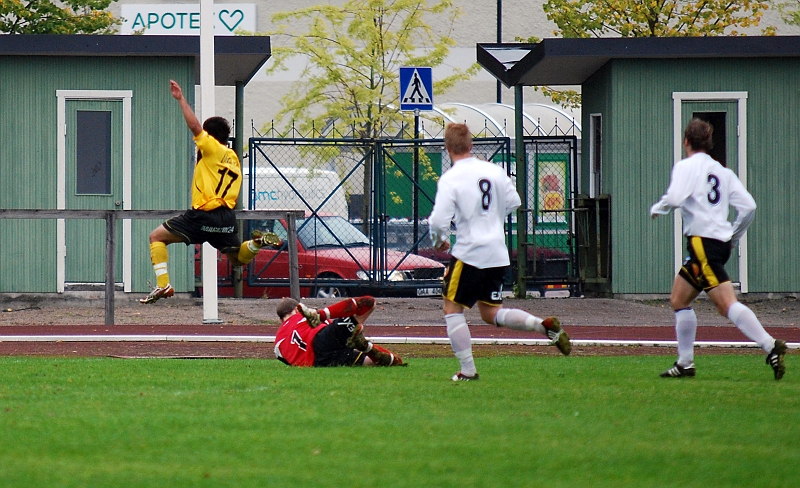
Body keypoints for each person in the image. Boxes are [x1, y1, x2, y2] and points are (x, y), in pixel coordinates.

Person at [428, 123, 571, 382]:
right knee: (490, 313)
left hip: (470, 252)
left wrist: (440, 240)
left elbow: (438, 220)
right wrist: (491, 218)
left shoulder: (451, 178)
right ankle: (542, 325)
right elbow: (514, 201)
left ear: (447, 148)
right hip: (497, 252)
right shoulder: (494, 170)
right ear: (471, 145)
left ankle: (468, 371)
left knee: (452, 308)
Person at [651, 118, 786, 379]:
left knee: (726, 305)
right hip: (718, 244)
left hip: (703, 243)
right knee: (679, 299)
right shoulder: (723, 172)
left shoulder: (686, 166)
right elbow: (749, 206)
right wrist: (733, 236)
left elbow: (676, 197)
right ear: (709, 143)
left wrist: (659, 207)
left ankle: (770, 345)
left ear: (686, 141)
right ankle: (685, 363)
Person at [140, 80, 282, 304]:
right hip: (226, 217)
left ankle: (163, 283)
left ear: (210, 135)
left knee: (156, 236)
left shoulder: (212, 149)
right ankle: (257, 242)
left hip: (204, 214)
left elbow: (195, 127)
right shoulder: (233, 157)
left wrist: (181, 99)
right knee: (237, 258)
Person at [275, 296, 405, 367]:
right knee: (369, 303)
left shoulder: (278, 343)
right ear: (297, 310)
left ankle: (363, 345)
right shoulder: (302, 316)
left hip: (318, 363)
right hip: (321, 340)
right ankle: (321, 315)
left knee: (368, 362)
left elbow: (287, 361)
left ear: (281, 320)